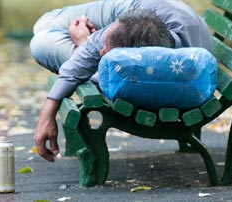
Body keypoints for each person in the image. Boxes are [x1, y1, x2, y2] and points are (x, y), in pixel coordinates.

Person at [30, 0, 212, 162]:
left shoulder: (182, 68)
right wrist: (47, 112)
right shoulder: (121, 33)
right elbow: (85, 61)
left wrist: (82, 43)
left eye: (107, 52)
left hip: (156, 23)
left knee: (40, 42)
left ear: (134, 63)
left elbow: (95, 71)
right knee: (42, 24)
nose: (101, 52)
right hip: (137, 7)